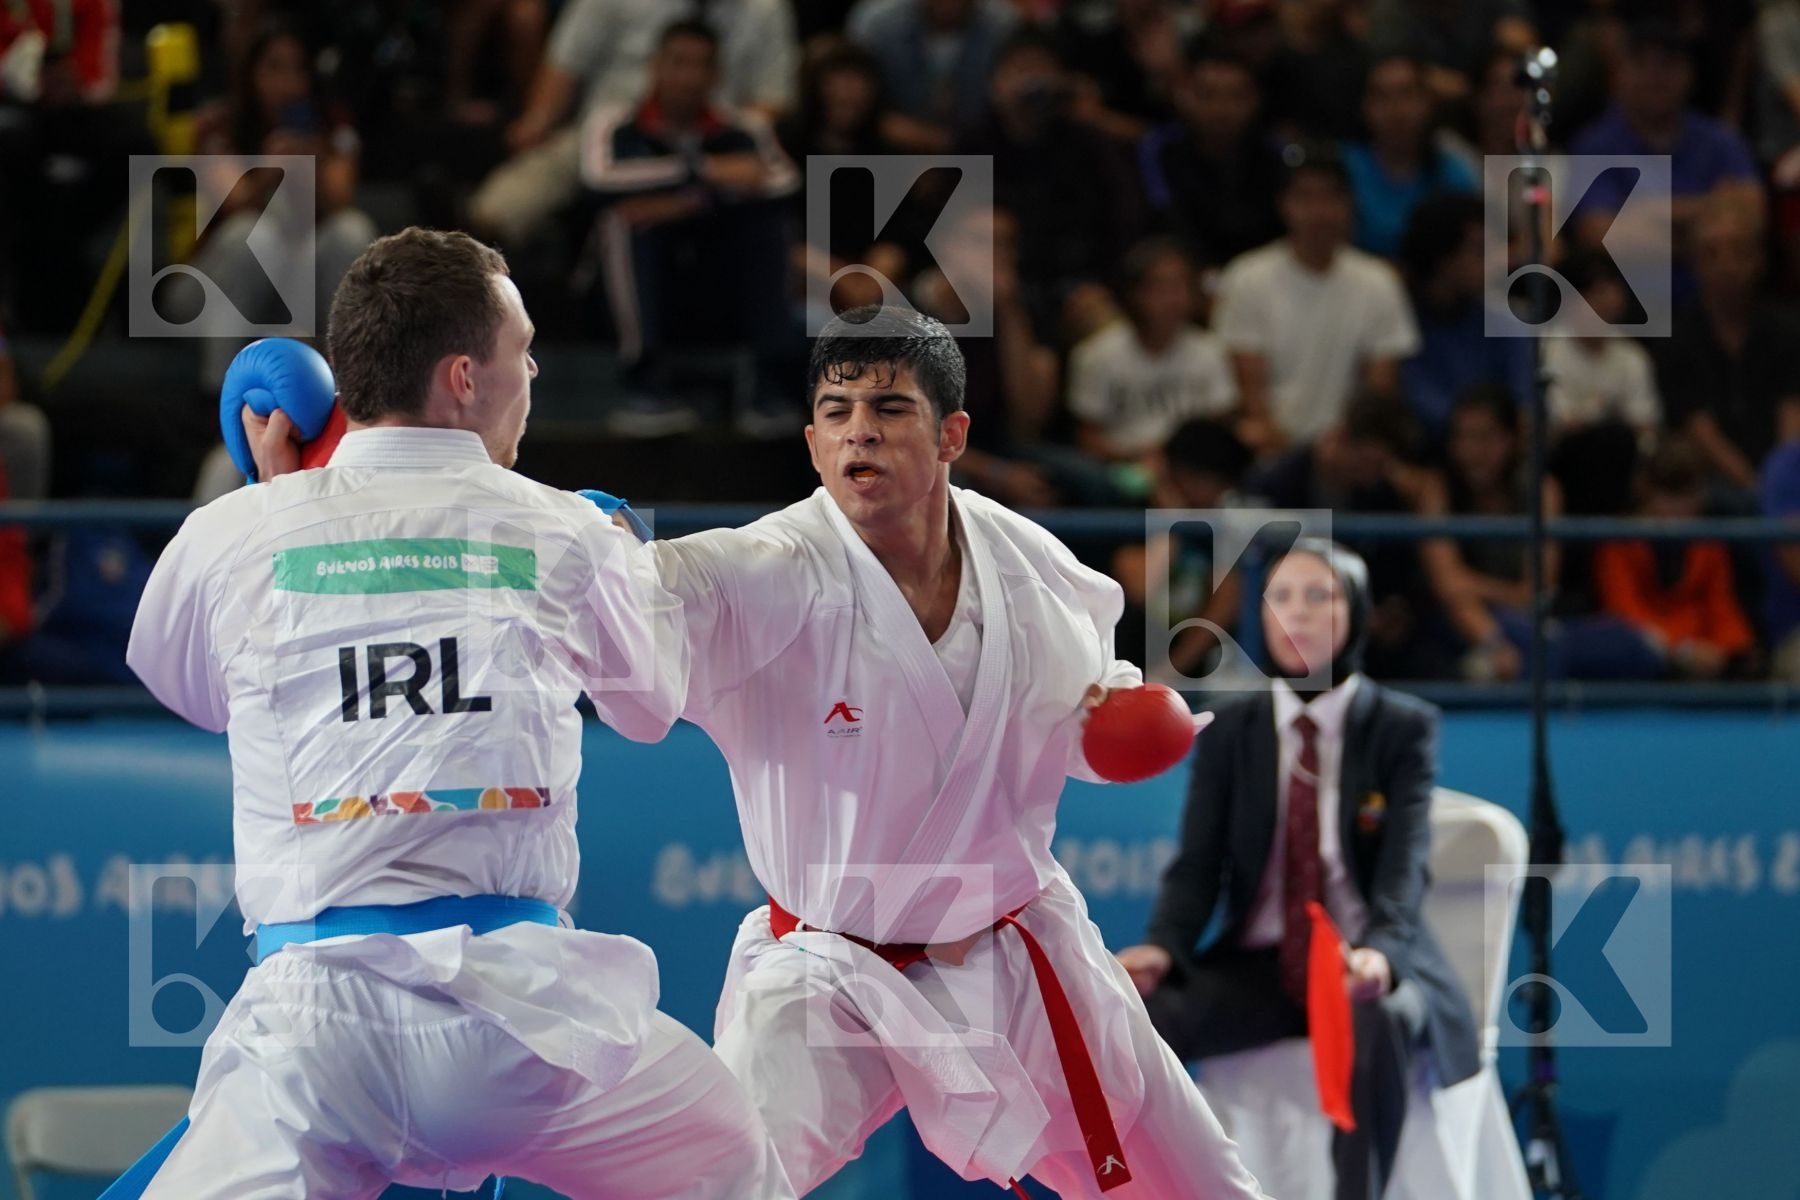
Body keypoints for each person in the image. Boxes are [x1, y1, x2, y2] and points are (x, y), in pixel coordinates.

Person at [123, 228, 793, 1199]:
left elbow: (189, 692)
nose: (534, 373)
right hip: (525, 1034)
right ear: (463, 377)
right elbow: (649, 707)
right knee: (729, 1156)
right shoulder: (566, 529)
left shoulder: (231, 532)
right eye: (522, 351)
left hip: (314, 1038)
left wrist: (285, 505)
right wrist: (613, 557)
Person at [647, 306, 1271, 1198]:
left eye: (890, 407)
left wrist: (1113, 726)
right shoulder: (767, 570)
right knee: (725, 1182)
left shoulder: (1028, 566)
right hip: (828, 972)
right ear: (814, 444)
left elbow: (1085, 718)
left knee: (1205, 1182)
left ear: (951, 434)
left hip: (1011, 950)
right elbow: (657, 591)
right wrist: (590, 550)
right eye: (836, 411)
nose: (860, 428)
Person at [1115, 540, 1480, 1200]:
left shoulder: (1401, 728)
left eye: (1320, 597)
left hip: (1361, 964)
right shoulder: (1230, 731)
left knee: (1382, 1017)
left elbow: (1404, 869)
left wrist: (1380, 957)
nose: (1298, 615)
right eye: (1282, 597)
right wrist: (1164, 948)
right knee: (1141, 1015)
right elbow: (1198, 865)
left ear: (1357, 613)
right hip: (1266, 967)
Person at [577, 18, 799, 439]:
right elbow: (599, 179)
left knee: (769, 224)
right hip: (626, 294)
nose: (689, 76)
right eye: (678, 62)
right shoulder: (614, 121)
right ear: (656, 67)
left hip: (714, 283)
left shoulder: (742, 127)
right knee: (620, 223)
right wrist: (703, 170)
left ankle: (766, 385)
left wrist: (685, 202)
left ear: (716, 75)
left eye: (701, 65)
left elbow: (780, 180)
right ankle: (642, 382)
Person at [469, 0, 796, 249]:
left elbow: (771, 100)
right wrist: (537, 122)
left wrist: (721, 151)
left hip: (710, 146)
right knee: (495, 213)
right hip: (602, 135)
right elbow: (566, 62)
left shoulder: (764, 8)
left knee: (769, 212)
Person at [180, 21, 379, 390]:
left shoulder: (332, 130)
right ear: (251, 73)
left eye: (298, 69)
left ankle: (344, 387)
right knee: (251, 236)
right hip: (212, 285)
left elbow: (340, 200)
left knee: (352, 230)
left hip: (296, 285)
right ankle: (217, 397)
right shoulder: (218, 127)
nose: (287, 82)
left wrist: (309, 165)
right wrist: (269, 170)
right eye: (274, 68)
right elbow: (233, 204)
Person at [1212, 142, 1420, 454]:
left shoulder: (1379, 283)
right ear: (1284, 204)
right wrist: (1289, 456)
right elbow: (1250, 397)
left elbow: (1379, 395)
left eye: (1330, 196)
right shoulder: (1246, 279)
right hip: (1270, 453)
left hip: (1351, 453)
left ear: (1349, 203)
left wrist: (1342, 450)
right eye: (1305, 197)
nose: (1319, 211)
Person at [1569, 17, 1763, 305]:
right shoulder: (1594, 145)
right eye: (1642, 64)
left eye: (1668, 64)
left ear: (1690, 74)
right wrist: (1709, 215)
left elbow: (1753, 217)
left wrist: (1639, 213)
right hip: (1628, 311)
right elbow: (1598, 238)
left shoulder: (1720, 140)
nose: (1655, 76)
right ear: (1618, 73)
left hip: (1714, 307)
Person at [1594, 437, 1757, 679]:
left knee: (1748, 666)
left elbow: (1721, 606)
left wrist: (1727, 650)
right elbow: (1624, 611)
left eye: (1688, 496)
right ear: (1646, 489)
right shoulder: (1619, 543)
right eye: (1669, 495)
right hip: (1647, 655)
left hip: (1704, 652)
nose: (1679, 510)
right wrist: (1680, 648)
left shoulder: (1708, 543)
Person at [1069, 238, 1238, 464]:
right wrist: (1140, 456)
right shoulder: (1096, 355)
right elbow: (1088, 438)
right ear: (1135, 293)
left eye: (1181, 285)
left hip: (1193, 468)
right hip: (1122, 466)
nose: (1173, 297)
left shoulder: (1211, 351)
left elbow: (1221, 426)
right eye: (1161, 286)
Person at [1137, 44, 1286, 280]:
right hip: (1190, 281)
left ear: (1255, 100)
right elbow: (1168, 220)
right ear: (1187, 96)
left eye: (1234, 96)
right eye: (1208, 95)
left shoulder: (1276, 152)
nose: (1221, 110)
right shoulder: (1161, 149)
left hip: (1261, 279)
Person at [1398, 193, 1533, 451]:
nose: (1496, 262)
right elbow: (1418, 409)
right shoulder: (1401, 321)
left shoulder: (1506, 324)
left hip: (1498, 458)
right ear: (1441, 256)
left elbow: (1524, 406)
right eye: (1479, 250)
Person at [1339, 52, 1477, 261]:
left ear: (1428, 102)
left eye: (1407, 94)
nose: (1396, 109)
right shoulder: (1342, 169)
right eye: (1382, 96)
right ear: (1364, 107)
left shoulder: (1454, 172)